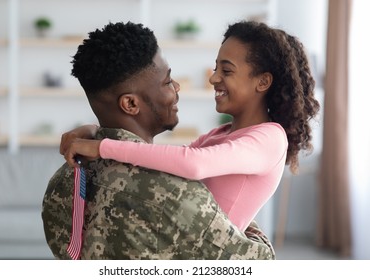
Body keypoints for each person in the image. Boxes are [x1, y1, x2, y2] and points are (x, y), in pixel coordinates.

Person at [42, 21, 275, 260]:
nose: (176, 87)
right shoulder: (178, 195)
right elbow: (259, 262)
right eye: (167, 82)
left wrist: (97, 132)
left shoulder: (62, 182)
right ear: (131, 104)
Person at [60, 20, 320, 232]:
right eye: (216, 67)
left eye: (226, 71)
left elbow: (193, 164)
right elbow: (168, 162)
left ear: (262, 82)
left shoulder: (269, 139)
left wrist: (102, 147)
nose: (213, 77)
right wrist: (94, 131)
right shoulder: (221, 134)